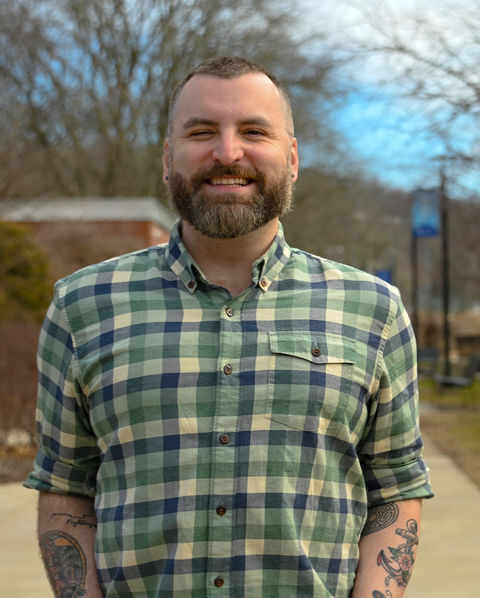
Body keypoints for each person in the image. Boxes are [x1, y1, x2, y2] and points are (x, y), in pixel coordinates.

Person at [25, 56, 433, 598]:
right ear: (168, 159)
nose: (227, 152)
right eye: (201, 132)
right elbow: (64, 486)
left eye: (253, 131)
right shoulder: (83, 306)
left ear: (292, 158)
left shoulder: (373, 310)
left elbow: (395, 487)